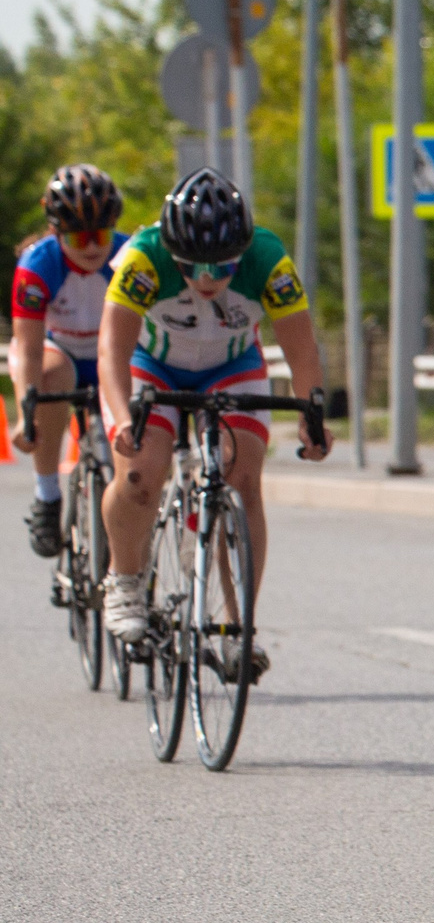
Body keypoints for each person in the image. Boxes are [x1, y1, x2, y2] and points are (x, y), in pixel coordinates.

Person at [98, 169, 332, 682]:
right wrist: (120, 418)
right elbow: (111, 350)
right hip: (152, 368)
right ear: (172, 252)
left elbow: (301, 350)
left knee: (242, 477)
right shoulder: (142, 257)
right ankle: (125, 579)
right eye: (191, 268)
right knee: (139, 474)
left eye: (223, 267)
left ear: (242, 250)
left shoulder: (269, 260)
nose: (207, 280)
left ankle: (236, 625)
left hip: (232, 366)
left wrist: (313, 413)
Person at [10, 164, 129, 556]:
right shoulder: (37, 265)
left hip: (116, 355)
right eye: (79, 237)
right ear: (58, 234)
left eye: (101, 234)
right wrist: (25, 414)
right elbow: (25, 347)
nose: (92, 247)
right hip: (62, 352)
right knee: (51, 374)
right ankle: (47, 495)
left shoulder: (128, 259)